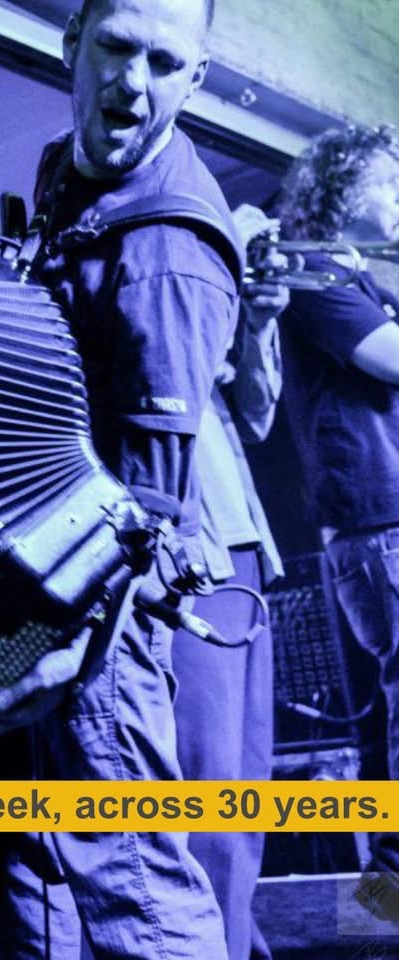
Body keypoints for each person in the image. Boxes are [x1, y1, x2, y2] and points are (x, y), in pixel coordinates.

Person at [0, 1, 246, 957]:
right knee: (1, 861)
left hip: (94, 620)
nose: (134, 83)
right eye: (116, 47)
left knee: (134, 886)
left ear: (196, 80)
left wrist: (41, 653)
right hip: (22, 597)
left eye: (166, 62)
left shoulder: (170, 254)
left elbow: (143, 519)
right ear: (72, 44)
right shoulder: (63, 179)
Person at [277, 123, 399, 877]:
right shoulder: (313, 270)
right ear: (343, 189)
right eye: (389, 181)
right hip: (381, 525)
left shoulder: (358, 279)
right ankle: (387, 906)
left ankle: (381, 912)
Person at [172, 203, 287, 960]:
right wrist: (225, 278)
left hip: (242, 544)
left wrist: (258, 321)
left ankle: (234, 938)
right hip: (193, 558)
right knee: (209, 783)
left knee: (247, 786)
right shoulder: (156, 277)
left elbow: (256, 416)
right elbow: (168, 371)